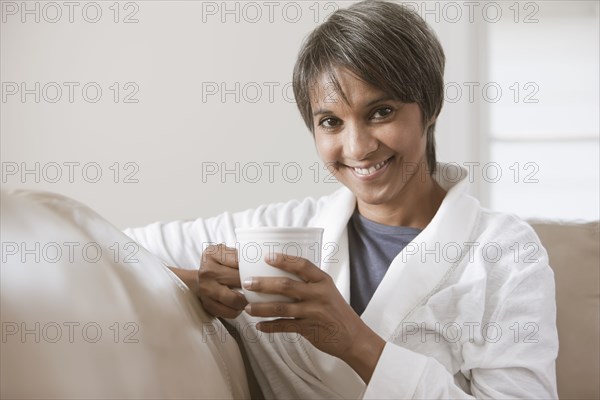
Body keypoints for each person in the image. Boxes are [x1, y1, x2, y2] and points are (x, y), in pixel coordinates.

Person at [125, 1, 558, 398]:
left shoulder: (504, 252)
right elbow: (96, 249)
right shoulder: (276, 235)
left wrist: (356, 343)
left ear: (430, 106)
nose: (358, 147)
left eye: (381, 112)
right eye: (331, 121)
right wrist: (189, 282)